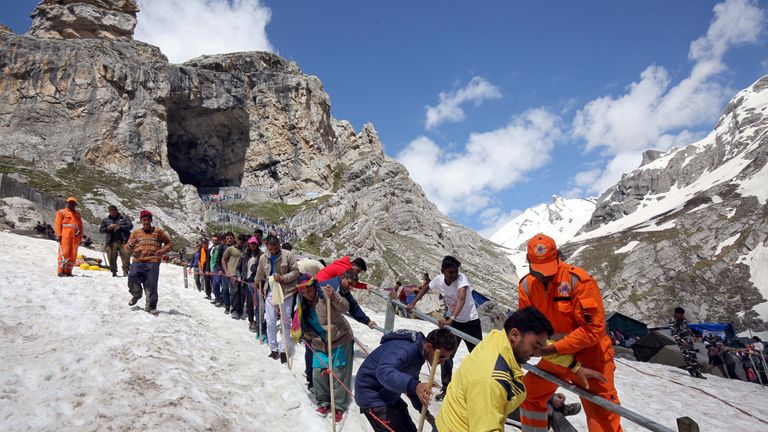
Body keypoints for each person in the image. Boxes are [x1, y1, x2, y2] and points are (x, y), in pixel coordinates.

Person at [436, 306, 605, 432]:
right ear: (515, 335)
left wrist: (574, 367)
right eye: (535, 345)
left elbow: (542, 347)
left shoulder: (499, 338)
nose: (538, 353)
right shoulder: (491, 380)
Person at [517, 234, 623, 432]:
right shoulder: (526, 286)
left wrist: (553, 348)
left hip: (591, 359)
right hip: (555, 358)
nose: (544, 275)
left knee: (603, 419)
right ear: (529, 264)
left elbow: (593, 329)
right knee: (529, 395)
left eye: (548, 269)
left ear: (558, 257)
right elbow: (527, 325)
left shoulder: (580, 282)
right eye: (539, 271)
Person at [355, 328, 459, 432]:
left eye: (446, 359)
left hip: (389, 393)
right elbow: (384, 372)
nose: (442, 362)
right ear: (428, 346)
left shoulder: (420, 354)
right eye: (441, 357)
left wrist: (423, 411)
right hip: (372, 395)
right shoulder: (407, 349)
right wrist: (415, 386)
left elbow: (412, 381)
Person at [408, 255, 482, 401]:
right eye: (450, 272)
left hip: (470, 322)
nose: (454, 275)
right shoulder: (438, 280)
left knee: (478, 356)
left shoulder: (462, 279)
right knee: (446, 355)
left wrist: (450, 319)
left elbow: (461, 299)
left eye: (455, 272)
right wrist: (413, 303)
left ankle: (478, 390)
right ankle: (446, 388)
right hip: (454, 322)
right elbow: (425, 289)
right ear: (443, 271)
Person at [298, 271, 355, 423]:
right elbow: (301, 322)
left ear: (314, 286)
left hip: (340, 339)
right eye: (303, 292)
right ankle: (323, 402)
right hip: (319, 343)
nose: (307, 294)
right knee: (318, 372)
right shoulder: (302, 303)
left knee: (338, 373)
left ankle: (338, 406)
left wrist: (334, 297)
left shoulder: (326, 293)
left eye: (309, 290)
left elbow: (345, 307)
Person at [253, 235, 301, 363]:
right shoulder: (264, 258)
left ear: (279, 245)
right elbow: (260, 273)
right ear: (267, 246)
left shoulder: (288, 255)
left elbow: (296, 271)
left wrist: (283, 278)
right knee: (270, 320)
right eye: (271, 249)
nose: (273, 251)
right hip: (270, 290)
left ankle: (284, 350)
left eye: (276, 249)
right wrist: (256, 283)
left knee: (285, 320)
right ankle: (273, 349)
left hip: (287, 292)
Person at [126, 210, 173, 314]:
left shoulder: (158, 231)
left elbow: (169, 243)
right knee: (132, 277)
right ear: (141, 221)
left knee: (151, 283)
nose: (146, 222)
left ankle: (151, 306)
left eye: (148, 220)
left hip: (153, 261)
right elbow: (126, 248)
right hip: (138, 260)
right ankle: (137, 294)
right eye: (144, 220)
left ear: (151, 220)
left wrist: (162, 250)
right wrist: (131, 245)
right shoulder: (136, 233)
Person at [670, 307, 705, 379]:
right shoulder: (672, 321)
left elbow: (687, 329)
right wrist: (682, 341)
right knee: (687, 357)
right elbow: (674, 334)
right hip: (682, 342)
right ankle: (692, 372)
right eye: (680, 314)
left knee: (693, 356)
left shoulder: (683, 319)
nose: (682, 316)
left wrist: (693, 336)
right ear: (676, 314)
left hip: (688, 340)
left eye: (682, 314)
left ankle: (698, 373)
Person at [99, 205, 133, 277]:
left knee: (126, 256)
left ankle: (126, 271)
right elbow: (101, 230)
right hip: (111, 241)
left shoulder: (124, 218)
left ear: (116, 210)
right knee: (111, 257)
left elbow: (130, 226)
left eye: (114, 211)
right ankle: (113, 271)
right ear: (109, 212)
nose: (112, 212)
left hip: (123, 241)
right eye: (111, 211)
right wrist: (108, 228)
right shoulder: (106, 220)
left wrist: (120, 227)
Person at [54, 197, 83, 277]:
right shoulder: (62, 212)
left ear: (75, 204)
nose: (71, 204)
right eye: (70, 202)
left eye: (73, 203)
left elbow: (80, 227)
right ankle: (60, 271)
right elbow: (58, 224)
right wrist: (58, 235)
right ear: (67, 203)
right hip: (65, 236)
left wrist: (80, 237)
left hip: (75, 237)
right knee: (64, 253)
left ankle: (68, 271)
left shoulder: (77, 215)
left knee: (73, 255)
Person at [243, 236, 264, 334]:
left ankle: (259, 322)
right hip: (247, 281)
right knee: (250, 302)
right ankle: (251, 321)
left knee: (258, 303)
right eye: (251, 244)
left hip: (257, 282)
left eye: (255, 244)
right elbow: (243, 267)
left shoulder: (261, 255)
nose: (253, 245)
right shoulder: (246, 255)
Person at [224, 234, 247, 319]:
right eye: (240, 242)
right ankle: (234, 310)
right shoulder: (230, 249)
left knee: (242, 293)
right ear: (236, 240)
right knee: (234, 292)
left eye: (243, 242)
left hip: (242, 275)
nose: (241, 244)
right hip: (232, 274)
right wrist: (226, 271)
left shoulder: (245, 250)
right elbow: (224, 259)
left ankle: (240, 310)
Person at [208, 233, 227, 308]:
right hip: (213, 267)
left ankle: (220, 299)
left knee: (219, 284)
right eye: (213, 240)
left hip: (219, 267)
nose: (214, 241)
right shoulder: (212, 247)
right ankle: (217, 298)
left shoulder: (221, 247)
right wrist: (210, 269)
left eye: (216, 240)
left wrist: (221, 269)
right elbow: (210, 258)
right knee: (215, 284)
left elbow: (221, 259)